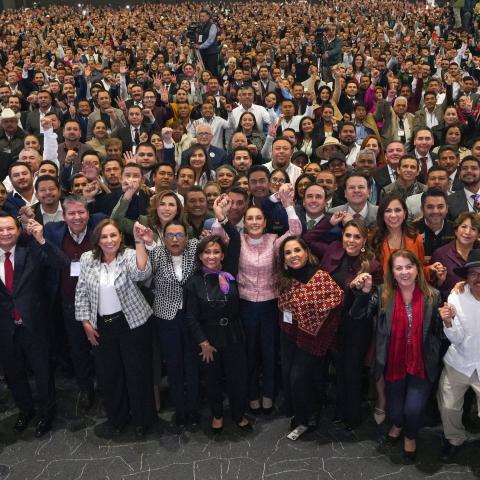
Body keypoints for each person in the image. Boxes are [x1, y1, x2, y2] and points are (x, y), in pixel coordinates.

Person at [212, 186, 302, 414]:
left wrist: (288, 204)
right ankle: (252, 394)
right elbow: (216, 236)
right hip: (245, 305)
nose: (254, 222)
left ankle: (268, 394)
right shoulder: (237, 238)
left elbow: (296, 231)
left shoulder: (273, 240)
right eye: (250, 218)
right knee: (249, 353)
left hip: (271, 305)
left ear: (264, 222)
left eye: (258, 218)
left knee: (270, 352)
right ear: (245, 220)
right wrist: (219, 213)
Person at [351, 250, 442, 462]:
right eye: (398, 268)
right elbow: (358, 316)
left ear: (417, 269)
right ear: (391, 272)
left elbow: (438, 332)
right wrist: (364, 294)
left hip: (421, 363)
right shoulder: (383, 294)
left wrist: (446, 319)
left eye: (408, 267)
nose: (404, 272)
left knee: (412, 411)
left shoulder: (433, 295)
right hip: (393, 364)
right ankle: (398, 424)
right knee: (396, 412)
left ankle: (410, 436)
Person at [75, 219, 157, 437]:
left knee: (137, 374)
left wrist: (139, 242)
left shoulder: (128, 255)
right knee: (109, 375)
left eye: (113, 235)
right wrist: (85, 322)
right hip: (101, 325)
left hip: (133, 323)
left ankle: (142, 420)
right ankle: (118, 419)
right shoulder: (87, 259)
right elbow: (81, 291)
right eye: (104, 236)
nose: (109, 240)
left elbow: (142, 273)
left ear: (120, 237)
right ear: (97, 240)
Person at [305, 218, 383, 428]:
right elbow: (309, 238)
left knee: (352, 370)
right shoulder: (332, 250)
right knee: (338, 369)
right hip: (328, 323)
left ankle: (352, 416)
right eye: (348, 235)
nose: (351, 240)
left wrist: (360, 291)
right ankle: (340, 410)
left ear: (364, 240)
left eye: (357, 237)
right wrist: (329, 220)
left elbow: (373, 303)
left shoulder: (372, 265)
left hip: (355, 326)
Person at [185, 198, 252, 433]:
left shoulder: (229, 271)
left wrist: (221, 217)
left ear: (222, 256)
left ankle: (238, 412)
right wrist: (202, 342)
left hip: (234, 334)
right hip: (209, 338)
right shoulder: (194, 282)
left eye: (216, 252)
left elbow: (234, 239)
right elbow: (191, 317)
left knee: (237, 378)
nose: (212, 256)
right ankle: (216, 414)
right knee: (212, 379)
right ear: (200, 256)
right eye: (207, 253)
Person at [0, 213, 69, 437]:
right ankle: (26, 410)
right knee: (14, 374)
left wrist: (41, 240)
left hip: (34, 325)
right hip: (5, 329)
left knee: (42, 373)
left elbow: (62, 263)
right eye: (0, 229)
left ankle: (47, 414)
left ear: (19, 231)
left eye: (10, 228)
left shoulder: (31, 251)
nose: (5, 233)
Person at [277, 236, 344, 437]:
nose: (293, 255)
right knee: (290, 376)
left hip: (314, 338)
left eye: (297, 250)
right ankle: (301, 415)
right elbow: (284, 309)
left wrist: (315, 321)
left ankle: (309, 418)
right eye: (288, 253)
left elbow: (337, 300)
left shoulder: (320, 277)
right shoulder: (285, 279)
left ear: (306, 252)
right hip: (289, 335)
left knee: (300, 378)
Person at [143, 220, 200, 428]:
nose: (175, 240)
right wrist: (149, 245)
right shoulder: (156, 253)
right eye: (170, 235)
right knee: (174, 364)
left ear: (187, 237)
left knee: (192, 363)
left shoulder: (194, 248)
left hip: (193, 315)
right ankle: (180, 409)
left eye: (179, 235)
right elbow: (144, 276)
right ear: (163, 237)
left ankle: (193, 409)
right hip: (166, 316)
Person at [437, 249, 480, 462]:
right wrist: (447, 321)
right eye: (473, 273)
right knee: (448, 406)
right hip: (460, 361)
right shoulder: (457, 295)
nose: (478, 278)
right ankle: (454, 440)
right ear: (466, 277)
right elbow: (457, 338)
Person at [430, 212, 480, 300]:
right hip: (449, 306)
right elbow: (431, 289)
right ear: (456, 230)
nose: (467, 232)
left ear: (478, 235)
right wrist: (440, 281)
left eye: (473, 228)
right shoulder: (440, 254)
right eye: (464, 227)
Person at [195, 10, 219, 76]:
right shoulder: (201, 26)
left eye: (203, 16)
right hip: (202, 53)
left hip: (211, 53)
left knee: (212, 72)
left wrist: (200, 46)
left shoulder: (212, 26)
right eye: (200, 16)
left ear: (208, 16)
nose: (201, 18)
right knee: (204, 72)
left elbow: (210, 40)